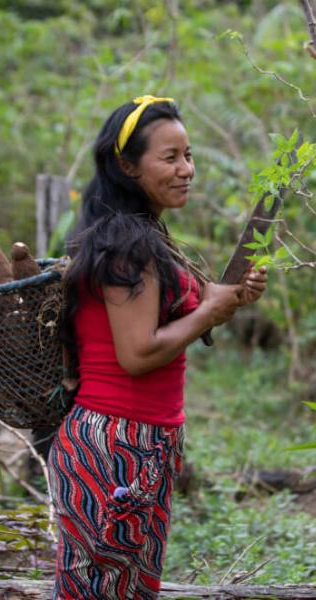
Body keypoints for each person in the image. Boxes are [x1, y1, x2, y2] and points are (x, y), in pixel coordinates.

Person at [47, 95, 267, 600]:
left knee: (124, 588)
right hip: (116, 445)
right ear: (127, 166)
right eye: (169, 158)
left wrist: (222, 299)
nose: (186, 169)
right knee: (101, 589)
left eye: (189, 155)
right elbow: (138, 353)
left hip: (143, 441)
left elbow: (170, 321)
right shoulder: (129, 243)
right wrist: (210, 310)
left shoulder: (144, 234)